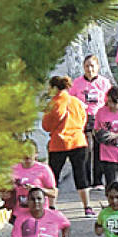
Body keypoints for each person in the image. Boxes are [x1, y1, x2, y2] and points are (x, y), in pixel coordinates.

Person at [42, 76, 94, 215]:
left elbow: (46, 126)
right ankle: (87, 206)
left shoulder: (53, 104)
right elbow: (84, 119)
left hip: (59, 143)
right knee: (81, 174)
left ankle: (52, 206)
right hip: (78, 141)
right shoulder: (76, 102)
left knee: (54, 175)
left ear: (54, 88)